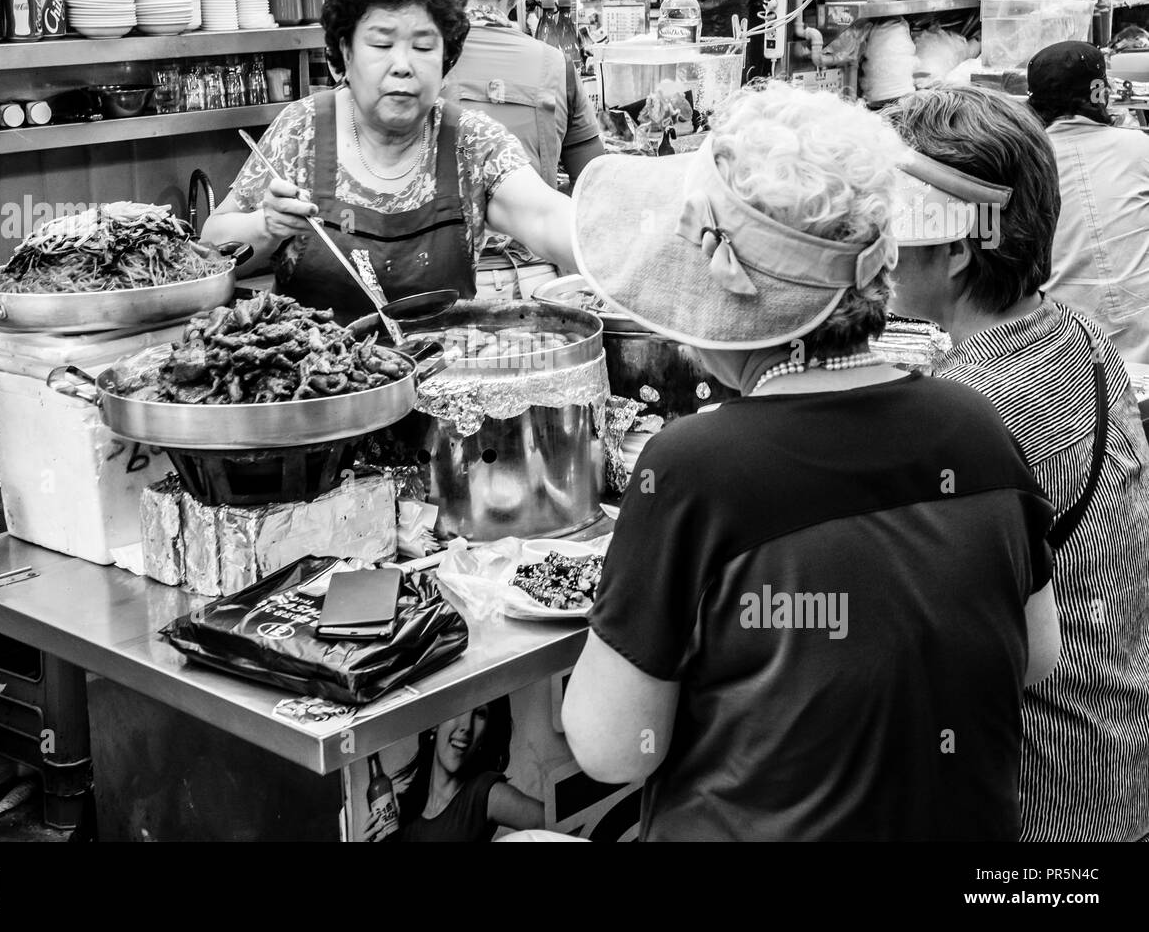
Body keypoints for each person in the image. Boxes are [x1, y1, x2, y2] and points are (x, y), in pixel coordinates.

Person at [559, 81, 1060, 842]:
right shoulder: (976, 423)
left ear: (737, 300)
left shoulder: (693, 466)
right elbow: (1037, 656)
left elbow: (612, 750)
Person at [884, 84, 1149, 843]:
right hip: (1118, 759)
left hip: (1040, 800)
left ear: (961, 248)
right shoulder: (1079, 336)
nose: (881, 243)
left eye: (895, 223)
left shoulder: (961, 417)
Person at [203, 0, 574, 322]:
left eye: (424, 46)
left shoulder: (473, 143)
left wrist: (614, 244)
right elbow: (211, 245)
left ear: (446, 59)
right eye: (381, 44)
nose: (403, 65)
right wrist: (265, 226)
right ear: (344, 52)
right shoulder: (301, 131)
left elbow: (545, 216)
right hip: (308, 372)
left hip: (444, 371)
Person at [430, 0, 605, 188]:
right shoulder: (559, 67)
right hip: (534, 228)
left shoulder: (416, 60)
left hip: (443, 232)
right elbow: (594, 182)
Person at [1026, 41, 1149, 365]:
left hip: (1065, 345)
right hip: (1142, 338)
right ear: (1100, 93)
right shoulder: (1137, 147)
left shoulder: (1029, 162)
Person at [395, 698, 544, 842]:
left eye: (480, 714)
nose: (467, 727)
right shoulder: (408, 808)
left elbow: (553, 821)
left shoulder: (484, 793)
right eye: (458, 708)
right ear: (434, 723)